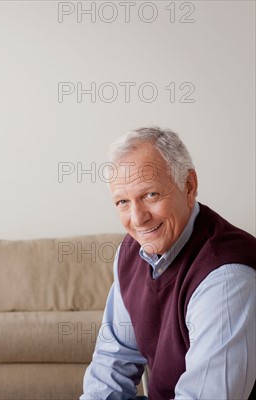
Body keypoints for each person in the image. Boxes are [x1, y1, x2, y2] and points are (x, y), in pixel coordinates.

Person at [81, 127, 256, 400]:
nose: (138, 219)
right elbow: (112, 363)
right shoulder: (131, 252)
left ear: (189, 185)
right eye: (123, 202)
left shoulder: (226, 275)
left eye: (150, 195)